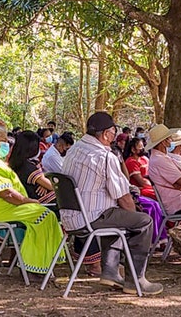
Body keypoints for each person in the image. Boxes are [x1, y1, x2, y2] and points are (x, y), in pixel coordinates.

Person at [60, 112, 162, 295]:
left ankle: (111, 271)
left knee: (115, 215)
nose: (114, 137)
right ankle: (136, 280)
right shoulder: (104, 156)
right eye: (114, 133)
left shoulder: (73, 150)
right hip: (90, 217)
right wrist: (133, 214)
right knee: (143, 221)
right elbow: (123, 197)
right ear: (106, 134)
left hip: (70, 217)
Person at [0, 123, 64, 279]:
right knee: (45, 216)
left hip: (3, 208)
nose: (7, 144)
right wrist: (28, 201)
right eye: (4, 140)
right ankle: (34, 267)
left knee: (45, 215)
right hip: (3, 209)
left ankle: (41, 264)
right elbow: (6, 194)